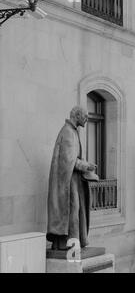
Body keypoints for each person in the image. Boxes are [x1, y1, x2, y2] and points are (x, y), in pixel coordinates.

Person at [47, 106, 97, 250]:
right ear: (77, 115)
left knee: (76, 210)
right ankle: (68, 243)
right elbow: (69, 160)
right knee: (72, 210)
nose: (87, 119)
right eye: (85, 116)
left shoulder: (72, 131)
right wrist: (86, 166)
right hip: (68, 182)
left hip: (73, 179)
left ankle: (72, 242)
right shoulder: (68, 132)